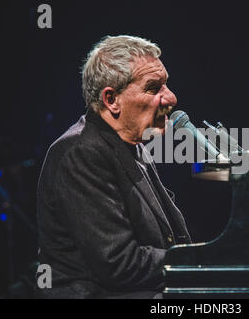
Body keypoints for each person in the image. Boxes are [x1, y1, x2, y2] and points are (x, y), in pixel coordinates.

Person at [36, 35, 191, 299]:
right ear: (111, 99)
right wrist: (193, 262)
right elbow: (118, 263)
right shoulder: (80, 152)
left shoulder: (132, 144)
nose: (171, 98)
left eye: (166, 85)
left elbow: (165, 237)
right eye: (154, 88)